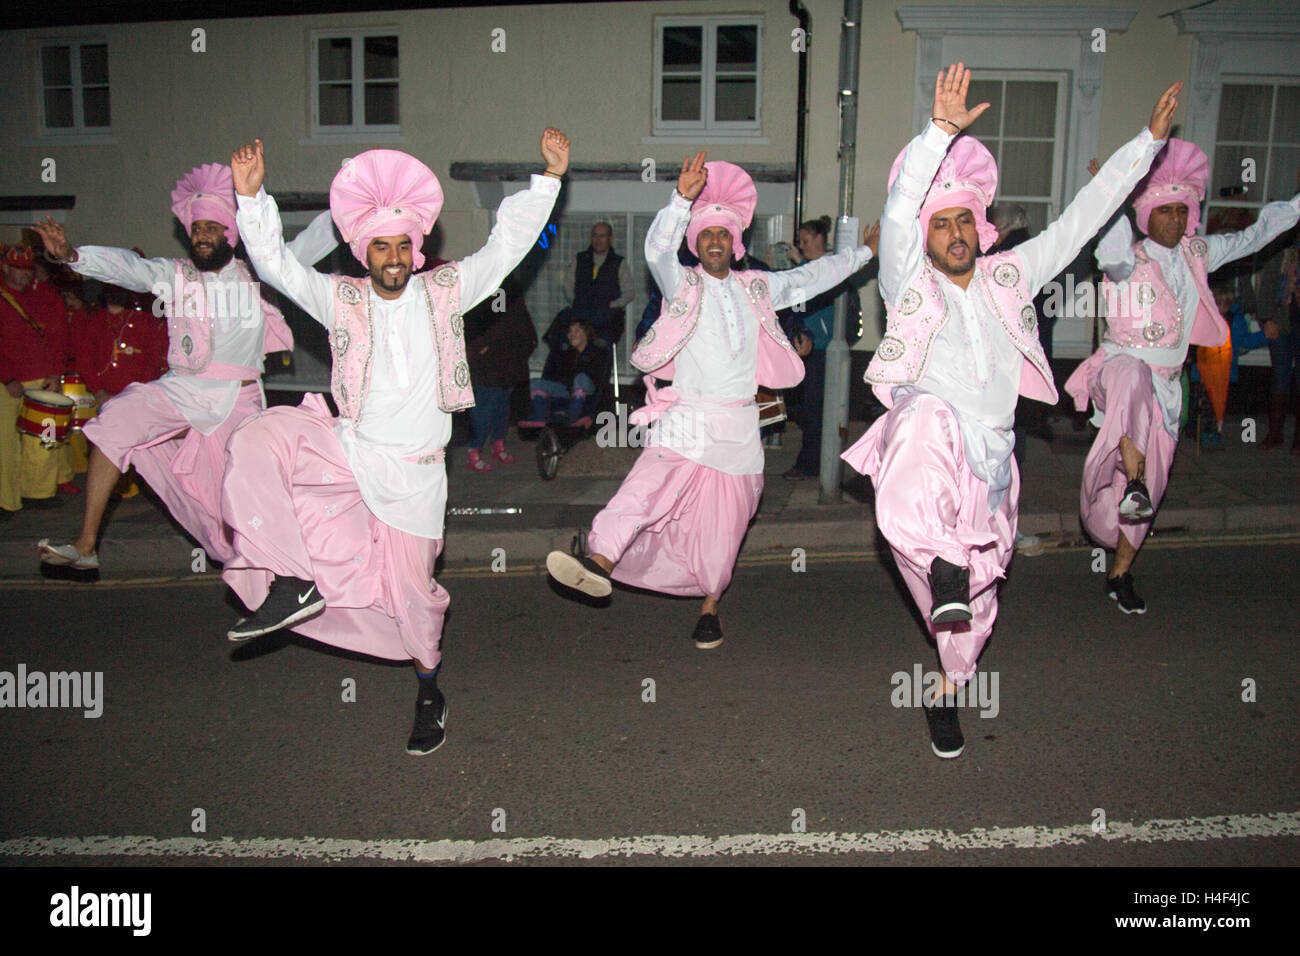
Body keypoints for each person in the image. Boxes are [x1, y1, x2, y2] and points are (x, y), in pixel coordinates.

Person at [842, 64, 1178, 759]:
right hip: (927, 446)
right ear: (928, 238)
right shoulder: (908, 280)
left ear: (981, 228)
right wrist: (938, 133)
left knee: (973, 618)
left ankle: (947, 689)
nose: (957, 231)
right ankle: (941, 564)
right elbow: (900, 212)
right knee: (923, 420)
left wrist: (1144, 146)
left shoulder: (1009, 276)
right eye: (945, 223)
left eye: (967, 219)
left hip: (991, 468)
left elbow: (1084, 216)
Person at [222, 129, 567, 755]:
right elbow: (278, 268)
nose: (393, 256)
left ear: (415, 248)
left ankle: (429, 689)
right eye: (380, 246)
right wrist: (252, 201)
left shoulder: (445, 292)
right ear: (364, 253)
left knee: (414, 600)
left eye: (401, 245)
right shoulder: (341, 298)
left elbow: (507, 246)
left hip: (416, 475)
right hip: (350, 449)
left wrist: (547, 180)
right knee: (258, 439)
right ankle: (293, 580)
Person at [545, 154, 875, 647]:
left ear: (735, 242)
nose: (716, 241)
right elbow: (656, 250)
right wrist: (680, 199)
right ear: (696, 244)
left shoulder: (758, 287)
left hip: (740, 431)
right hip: (688, 417)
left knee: (723, 534)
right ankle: (600, 560)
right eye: (706, 234)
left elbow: (813, 277)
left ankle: (710, 606)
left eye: (723, 233)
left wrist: (863, 256)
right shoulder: (685, 285)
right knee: (644, 487)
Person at [32, 164, 337, 571]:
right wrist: (72, 256)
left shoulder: (258, 276)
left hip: (238, 403)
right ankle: (86, 545)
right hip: (182, 388)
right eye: (196, 230)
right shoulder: (174, 275)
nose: (202, 236)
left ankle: (287, 567)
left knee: (238, 504)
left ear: (229, 233)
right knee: (114, 422)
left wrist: (348, 200)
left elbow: (312, 241)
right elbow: (129, 268)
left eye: (211, 228)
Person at [1066, 142, 1300, 612]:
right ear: (1147, 214)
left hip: (1167, 390)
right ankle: (1130, 483)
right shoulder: (1127, 258)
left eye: (1182, 210)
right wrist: (1110, 188)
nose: (1174, 218)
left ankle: (1120, 573)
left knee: (1147, 497)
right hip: (1117, 373)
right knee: (1133, 375)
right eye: (1164, 210)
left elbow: (1254, 236)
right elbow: (1107, 239)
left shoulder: (1197, 252)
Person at [781, 216, 878, 480]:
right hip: (806, 349)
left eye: (806, 240)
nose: (802, 246)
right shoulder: (805, 270)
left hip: (824, 351)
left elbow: (829, 303)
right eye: (800, 242)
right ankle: (816, 459)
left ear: (821, 239)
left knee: (816, 409)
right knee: (803, 407)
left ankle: (810, 464)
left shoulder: (833, 268)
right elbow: (798, 307)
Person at [0, 244, 74, 515]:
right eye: (18, 268)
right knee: (5, 445)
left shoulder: (44, 295)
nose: (23, 274)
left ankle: (39, 493)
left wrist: (55, 372)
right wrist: (7, 377)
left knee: (44, 441)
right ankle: (6, 500)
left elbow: (58, 336)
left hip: (41, 378)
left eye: (27, 269)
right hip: (7, 383)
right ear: (5, 267)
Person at [464, 277, 536, 471]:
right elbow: (477, 319)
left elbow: (520, 319)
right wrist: (479, 348)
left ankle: (498, 444)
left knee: (502, 405)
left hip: (510, 359)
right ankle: (474, 449)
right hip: (489, 361)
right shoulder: (486, 284)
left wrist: (528, 343)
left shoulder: (512, 287)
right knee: (485, 406)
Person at [1191, 280, 1274, 449]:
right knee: (1205, 405)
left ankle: (1213, 432)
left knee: (1218, 405)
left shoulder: (1236, 321)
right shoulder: (1203, 319)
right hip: (1204, 373)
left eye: (1226, 305)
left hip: (1224, 373)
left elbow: (1245, 340)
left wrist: (1263, 336)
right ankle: (1205, 433)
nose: (1222, 308)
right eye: (1219, 304)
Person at [518, 317, 611, 429]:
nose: (572, 334)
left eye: (576, 331)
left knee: (581, 378)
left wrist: (591, 413)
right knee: (535, 383)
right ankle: (539, 419)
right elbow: (557, 379)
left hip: (588, 391)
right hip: (568, 389)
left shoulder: (597, 353)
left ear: (586, 334)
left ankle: (573, 418)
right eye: (570, 331)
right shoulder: (566, 354)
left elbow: (599, 383)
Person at [562, 221, 634, 346]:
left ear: (610, 239)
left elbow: (629, 292)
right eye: (595, 236)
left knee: (601, 351)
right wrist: (577, 302)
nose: (598, 240)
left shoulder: (618, 263)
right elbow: (567, 285)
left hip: (607, 318)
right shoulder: (580, 259)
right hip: (581, 315)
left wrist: (613, 305)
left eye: (602, 236)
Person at [1265, 232, 1300, 450]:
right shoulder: (1283, 248)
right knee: (1280, 375)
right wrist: (1266, 318)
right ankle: (1275, 433)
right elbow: (1267, 284)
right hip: (1282, 319)